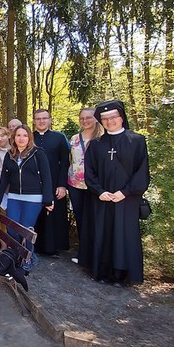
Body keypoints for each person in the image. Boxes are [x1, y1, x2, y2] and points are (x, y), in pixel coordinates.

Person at [81, 100, 149, 286]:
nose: (110, 121)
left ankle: (122, 275)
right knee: (102, 234)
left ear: (121, 118)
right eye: (105, 118)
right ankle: (102, 272)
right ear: (101, 121)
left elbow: (141, 172)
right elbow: (90, 172)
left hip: (127, 200)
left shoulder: (136, 141)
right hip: (101, 199)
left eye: (113, 117)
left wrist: (125, 192)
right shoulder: (95, 145)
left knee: (123, 235)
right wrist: (99, 191)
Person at [0, 125, 53, 273]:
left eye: (24, 135)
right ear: (13, 138)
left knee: (26, 230)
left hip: (33, 198)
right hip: (14, 197)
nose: (21, 138)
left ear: (29, 138)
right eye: (18, 135)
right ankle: (19, 255)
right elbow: (4, 179)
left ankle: (28, 257)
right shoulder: (10, 155)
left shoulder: (38, 153)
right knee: (12, 228)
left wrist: (48, 199)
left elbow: (46, 177)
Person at [68, 108, 104, 263]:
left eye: (88, 117)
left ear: (96, 118)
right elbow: (69, 160)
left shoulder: (103, 138)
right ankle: (83, 253)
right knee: (81, 219)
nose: (85, 121)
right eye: (81, 118)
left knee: (96, 220)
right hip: (76, 184)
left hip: (95, 186)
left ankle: (97, 254)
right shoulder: (74, 139)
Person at [32, 109, 70, 257]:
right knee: (36, 214)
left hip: (54, 182)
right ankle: (35, 245)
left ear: (49, 120)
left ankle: (51, 247)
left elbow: (65, 163)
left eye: (44, 118)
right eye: (38, 118)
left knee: (52, 214)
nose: (41, 121)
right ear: (34, 121)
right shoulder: (29, 137)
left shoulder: (59, 137)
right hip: (34, 183)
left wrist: (62, 185)